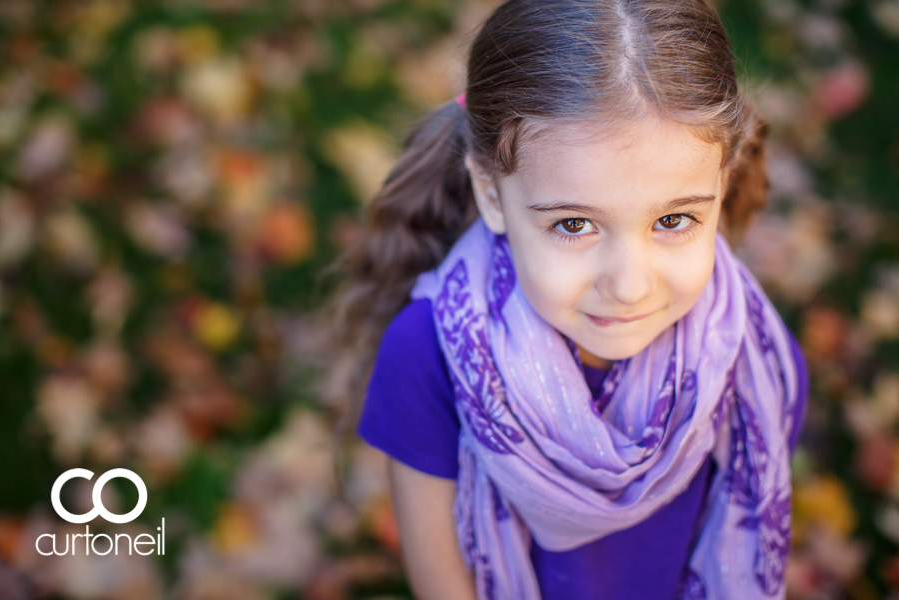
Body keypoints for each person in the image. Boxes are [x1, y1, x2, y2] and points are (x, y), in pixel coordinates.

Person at [321, 0, 809, 598]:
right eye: (575, 225)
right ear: (492, 196)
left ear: (722, 182)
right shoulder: (432, 353)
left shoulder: (750, 353)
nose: (629, 284)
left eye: (674, 219)